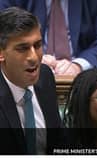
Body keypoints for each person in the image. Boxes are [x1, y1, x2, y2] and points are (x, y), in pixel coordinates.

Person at [0, 7, 64, 154]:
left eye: (37, 45)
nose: (34, 57)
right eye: (23, 49)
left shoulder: (45, 77)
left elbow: (59, 141)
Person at [0, 0, 97, 76]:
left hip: (81, 73)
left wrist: (77, 66)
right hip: (27, 67)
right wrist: (33, 57)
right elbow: (4, 35)